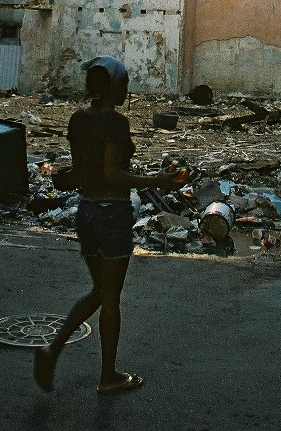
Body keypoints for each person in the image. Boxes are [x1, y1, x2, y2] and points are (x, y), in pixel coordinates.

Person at [33, 55, 182, 395]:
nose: (127, 92)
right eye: (125, 86)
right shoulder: (116, 123)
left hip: (85, 212)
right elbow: (111, 173)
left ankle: (52, 349)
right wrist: (159, 180)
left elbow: (81, 174)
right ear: (114, 88)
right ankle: (108, 376)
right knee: (111, 297)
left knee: (99, 291)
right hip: (112, 215)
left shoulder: (76, 120)